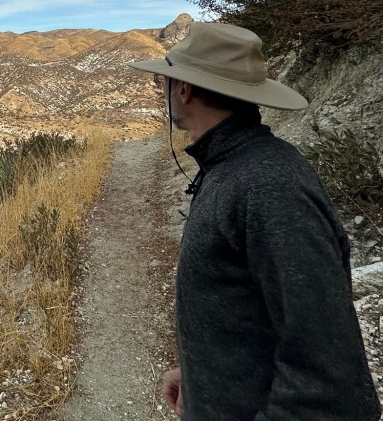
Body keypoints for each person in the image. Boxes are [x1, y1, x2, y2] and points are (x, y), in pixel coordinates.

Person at [127, 22, 379, 420]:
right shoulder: (236, 167)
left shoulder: (268, 186)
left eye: (167, 80)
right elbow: (248, 310)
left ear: (184, 89)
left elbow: (328, 377)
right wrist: (197, 374)